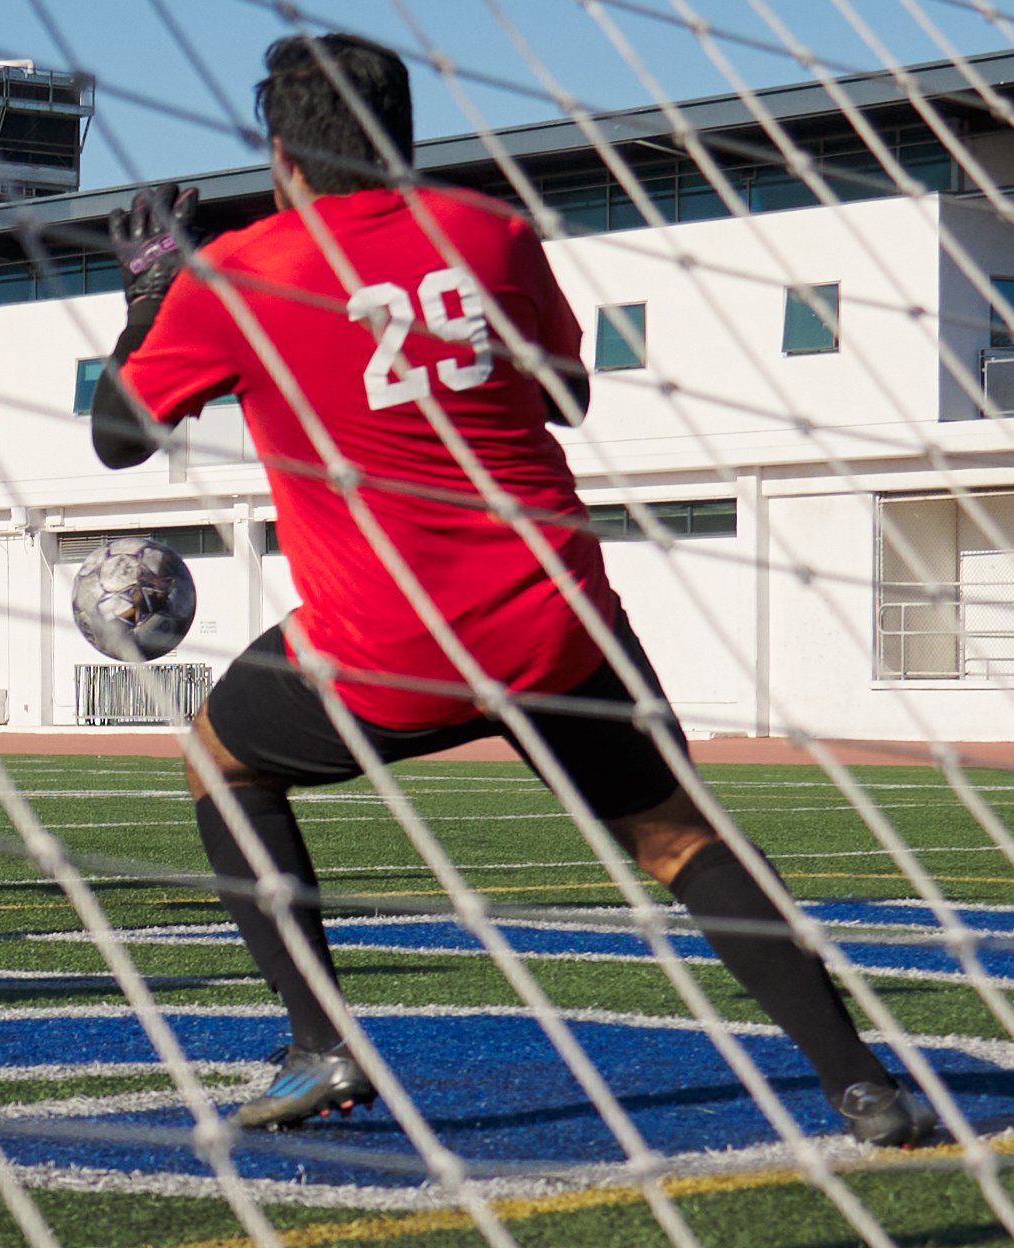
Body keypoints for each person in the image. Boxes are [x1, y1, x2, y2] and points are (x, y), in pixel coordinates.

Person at [89, 34, 934, 1147]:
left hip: (385, 648)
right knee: (680, 839)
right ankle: (859, 1081)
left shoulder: (245, 270)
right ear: (403, 139)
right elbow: (569, 394)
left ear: (281, 152)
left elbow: (117, 440)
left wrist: (155, 293)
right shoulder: (491, 233)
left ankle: (320, 1046)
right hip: (556, 624)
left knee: (218, 754)